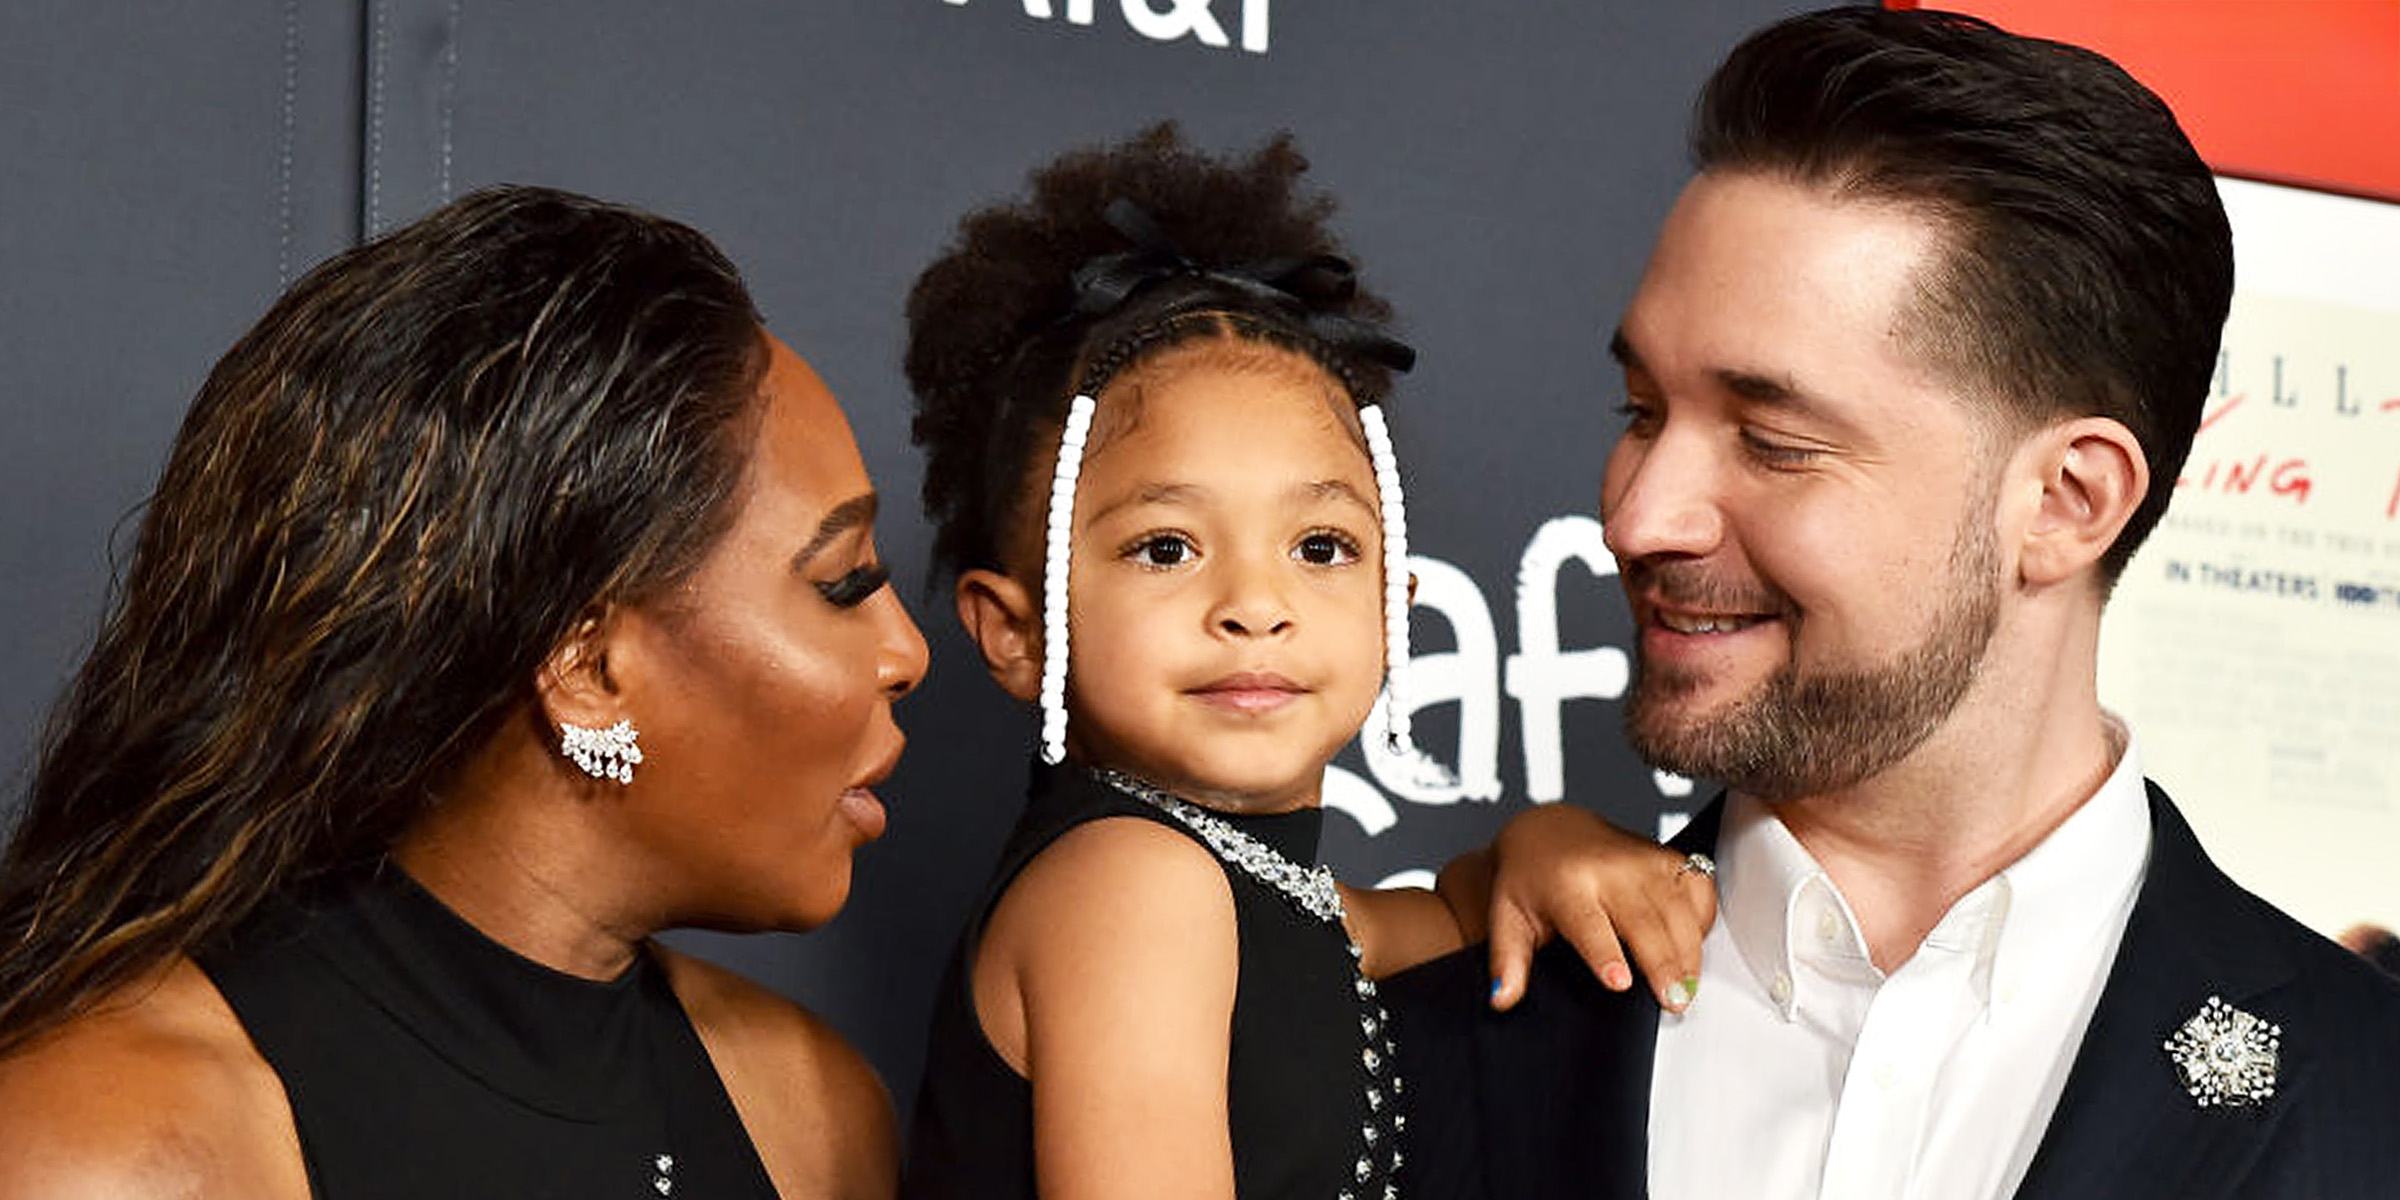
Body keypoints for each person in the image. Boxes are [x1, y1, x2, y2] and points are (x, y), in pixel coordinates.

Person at [1389, 8, 2400, 1199]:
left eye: (1773, 442)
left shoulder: (2369, 1097)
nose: (1638, 516)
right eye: (1642, 413)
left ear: (2069, 501)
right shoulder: (1400, 1053)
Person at [0, 185, 927, 1199]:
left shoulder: (810, 1111)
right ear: (587, 669)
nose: (905, 653)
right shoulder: (113, 1147)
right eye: (842, 584)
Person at [895, 125, 1712, 1200]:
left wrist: (1544, 842)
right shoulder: (1134, 889)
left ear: (1394, 602)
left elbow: (1455, 917)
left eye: (1320, 548)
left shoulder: (1280, 901)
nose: (1254, 606)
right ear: (1018, 631)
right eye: (1166, 548)